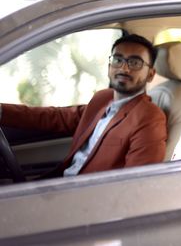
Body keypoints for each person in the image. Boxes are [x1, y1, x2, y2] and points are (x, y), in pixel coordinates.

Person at [0, 34, 167, 177]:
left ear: (150, 74)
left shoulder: (149, 117)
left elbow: (137, 184)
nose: (123, 68)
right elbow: (56, 117)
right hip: (60, 183)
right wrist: (2, 112)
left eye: (135, 63)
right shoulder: (103, 98)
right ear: (109, 66)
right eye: (118, 59)